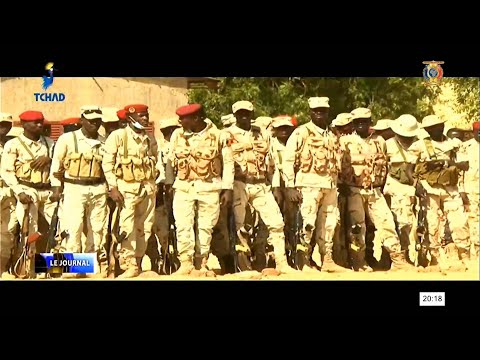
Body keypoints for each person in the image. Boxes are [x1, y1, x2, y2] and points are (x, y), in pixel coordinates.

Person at [224, 100, 298, 274]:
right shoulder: (227, 134)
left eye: (247, 113)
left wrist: (275, 186)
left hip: (261, 184)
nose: (244, 117)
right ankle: (244, 266)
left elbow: (271, 162)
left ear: (251, 114)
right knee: (241, 227)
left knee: (276, 223)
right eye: (240, 114)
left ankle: (282, 263)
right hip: (239, 184)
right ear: (235, 115)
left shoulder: (262, 134)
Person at [339, 107, 413, 272]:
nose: (360, 125)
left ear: (369, 123)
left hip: (375, 190)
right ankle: (358, 262)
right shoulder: (345, 142)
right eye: (357, 122)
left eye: (364, 122)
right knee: (357, 228)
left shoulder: (379, 141)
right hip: (354, 190)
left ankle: (397, 260)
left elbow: (385, 166)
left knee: (387, 223)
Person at [165, 103, 234, 275]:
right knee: (183, 225)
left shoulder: (219, 135)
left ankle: (201, 262)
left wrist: (228, 189)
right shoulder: (177, 135)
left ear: (196, 118)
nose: (180, 121)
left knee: (205, 226)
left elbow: (228, 163)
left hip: (209, 186)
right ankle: (185, 263)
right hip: (183, 186)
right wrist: (169, 183)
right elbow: (170, 160)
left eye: (184, 118)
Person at [283, 97, 345, 272]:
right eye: (316, 110)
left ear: (327, 112)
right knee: (307, 223)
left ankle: (328, 259)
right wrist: (290, 185)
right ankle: (303, 260)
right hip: (308, 184)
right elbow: (288, 160)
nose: (320, 114)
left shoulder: (333, 134)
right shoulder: (301, 132)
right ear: (310, 112)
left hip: (330, 185)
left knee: (330, 223)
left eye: (323, 111)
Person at [102, 104, 161, 278]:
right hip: (126, 189)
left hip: (147, 189)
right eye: (141, 116)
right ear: (130, 118)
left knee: (145, 228)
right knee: (126, 228)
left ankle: (138, 262)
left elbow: (156, 161)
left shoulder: (150, 138)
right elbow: (108, 164)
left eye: (146, 115)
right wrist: (112, 187)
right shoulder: (118, 136)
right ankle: (127, 264)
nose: (145, 119)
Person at [50, 105, 108, 278]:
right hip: (74, 187)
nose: (94, 124)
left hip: (98, 188)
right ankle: (71, 268)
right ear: (82, 120)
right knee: (73, 227)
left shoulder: (104, 141)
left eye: (97, 121)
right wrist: (55, 187)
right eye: (90, 121)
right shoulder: (67, 139)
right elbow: (56, 164)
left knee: (97, 229)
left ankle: (89, 267)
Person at [408, 115, 470, 272]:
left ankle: (463, 256)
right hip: (430, 188)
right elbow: (409, 168)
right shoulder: (420, 145)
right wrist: (416, 185)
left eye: (439, 125)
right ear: (428, 130)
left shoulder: (453, 144)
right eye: (433, 127)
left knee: (459, 222)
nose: (438, 129)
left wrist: (449, 163)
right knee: (431, 224)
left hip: (451, 188)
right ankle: (434, 258)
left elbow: (465, 165)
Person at [0, 110, 55, 279]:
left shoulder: (49, 143)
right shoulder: (14, 145)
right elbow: (7, 172)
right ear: (24, 124)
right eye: (35, 122)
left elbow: (58, 165)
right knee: (27, 231)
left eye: (41, 122)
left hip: (47, 190)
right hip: (25, 190)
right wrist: (19, 191)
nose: (40, 125)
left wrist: (49, 159)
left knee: (55, 229)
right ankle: (25, 269)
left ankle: (47, 269)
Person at [384, 115, 419, 264]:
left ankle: (416, 255)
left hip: (413, 189)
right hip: (394, 188)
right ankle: (398, 255)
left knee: (414, 226)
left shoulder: (419, 145)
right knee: (399, 223)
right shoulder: (388, 145)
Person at [455, 121, 479, 262]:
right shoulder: (465, 147)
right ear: (473, 132)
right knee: (472, 222)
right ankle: (474, 252)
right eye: (478, 132)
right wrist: (462, 191)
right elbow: (460, 172)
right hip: (471, 191)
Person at [0, 113, 17, 279]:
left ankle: (3, 269)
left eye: (6, 124)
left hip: (8, 192)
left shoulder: (11, 144)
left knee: (8, 232)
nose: (3, 128)